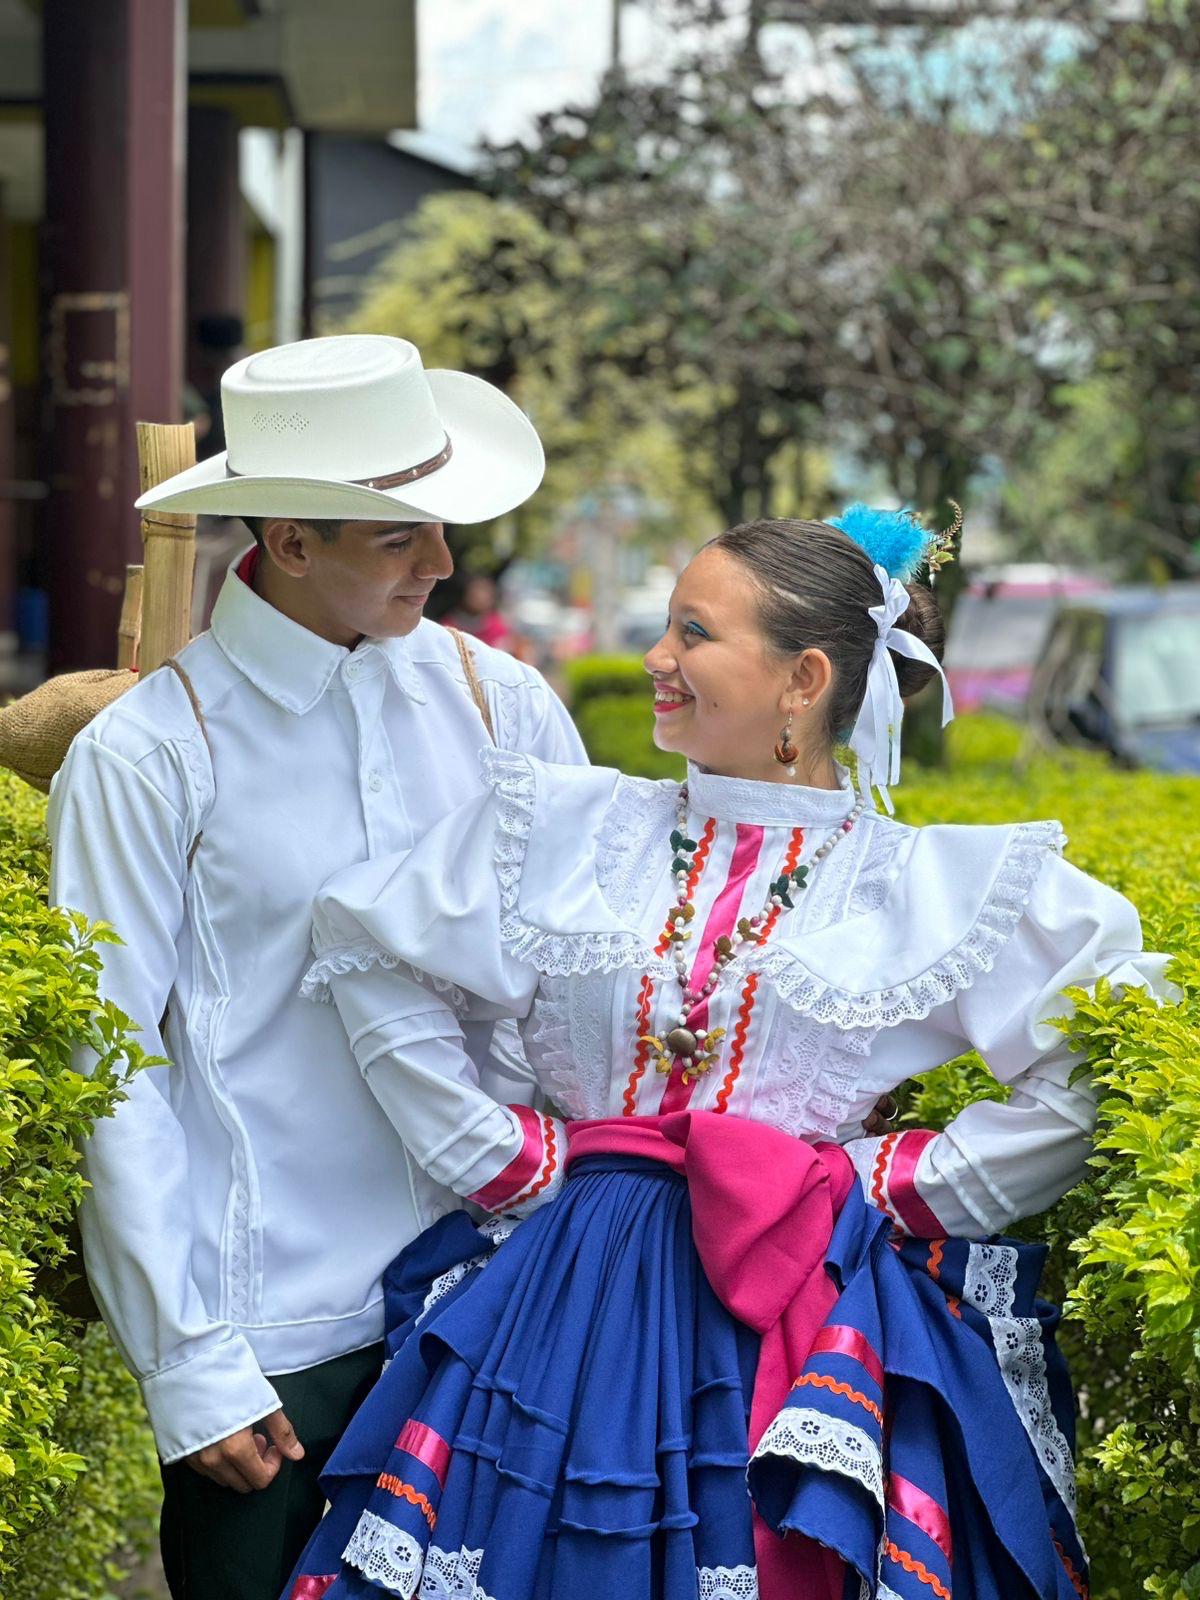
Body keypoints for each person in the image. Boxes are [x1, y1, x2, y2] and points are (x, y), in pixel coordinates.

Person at [286, 506, 1173, 1600]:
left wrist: (889, 1180)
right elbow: (367, 936)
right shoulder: (572, 828)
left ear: (804, 679)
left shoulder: (916, 881)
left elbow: (1102, 1041)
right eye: (667, 626)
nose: (659, 658)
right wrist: (497, 1152)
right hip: (571, 1287)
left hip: (797, 1299)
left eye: (694, 633)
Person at [46, 334, 589, 1600]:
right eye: (403, 536)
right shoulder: (149, 754)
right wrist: (189, 1365)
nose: (445, 562)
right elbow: (108, 1066)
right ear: (291, 542)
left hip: (501, 1310)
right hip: (273, 1352)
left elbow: (583, 992)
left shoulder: (506, 707)